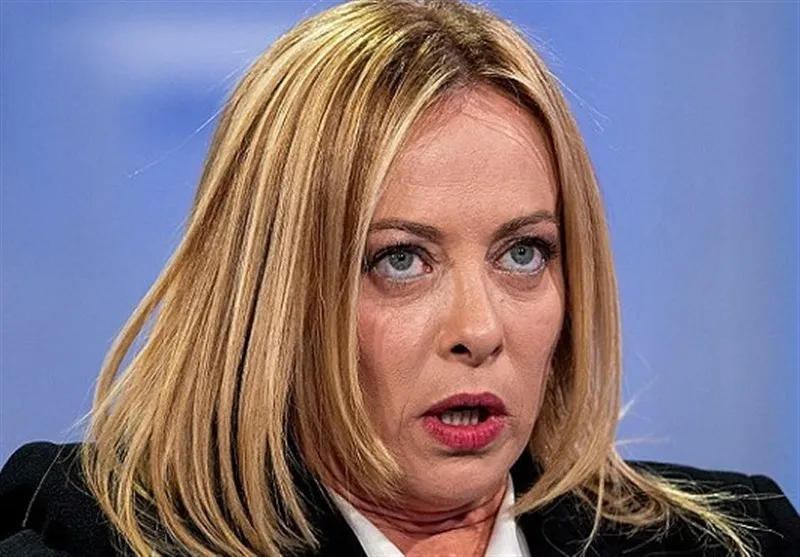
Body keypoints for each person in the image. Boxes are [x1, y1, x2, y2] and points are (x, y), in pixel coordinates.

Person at [1, 0, 798, 555]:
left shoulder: (742, 539)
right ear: (274, 295)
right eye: (401, 260)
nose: (479, 329)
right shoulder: (80, 537)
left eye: (523, 252)